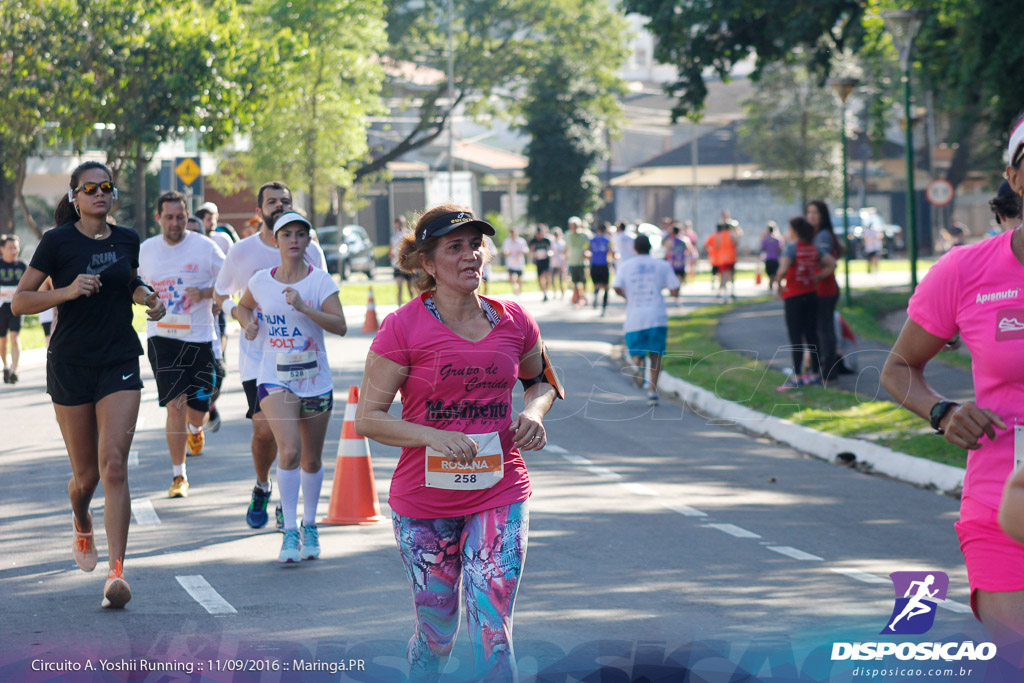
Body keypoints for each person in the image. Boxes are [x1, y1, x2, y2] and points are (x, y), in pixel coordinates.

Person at [355, 204, 557, 681]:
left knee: (493, 625)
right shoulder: (402, 327)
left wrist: (532, 411)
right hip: (425, 501)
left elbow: (542, 382)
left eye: (476, 244)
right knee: (437, 633)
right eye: (455, 247)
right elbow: (369, 419)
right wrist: (435, 438)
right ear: (427, 263)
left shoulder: (515, 320)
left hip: (500, 488)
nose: (472, 256)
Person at [882, 114, 1024, 651]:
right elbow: (898, 368)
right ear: (1014, 177)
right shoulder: (966, 271)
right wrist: (941, 412)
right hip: (1003, 506)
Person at [12, 160, 165, 608]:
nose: (100, 193)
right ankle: (81, 517)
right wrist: (67, 291)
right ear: (75, 197)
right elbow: (21, 301)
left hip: (118, 358)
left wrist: (148, 298)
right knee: (87, 477)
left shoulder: (126, 239)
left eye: (106, 187)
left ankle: (117, 572)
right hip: (71, 364)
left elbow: (129, 283)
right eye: (90, 188)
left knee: (114, 464)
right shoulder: (56, 242)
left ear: (112, 195)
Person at [215, 181, 327, 530]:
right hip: (259, 358)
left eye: (285, 201)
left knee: (292, 442)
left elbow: (324, 297)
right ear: (260, 209)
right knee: (265, 431)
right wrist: (239, 315)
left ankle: (287, 503)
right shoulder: (242, 252)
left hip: (302, 361)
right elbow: (221, 295)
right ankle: (263, 486)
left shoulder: (312, 251)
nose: (278, 205)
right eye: (271, 201)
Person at [235, 211, 346, 563]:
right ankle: (289, 531)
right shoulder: (260, 280)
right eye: (287, 235)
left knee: (311, 459)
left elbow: (340, 325)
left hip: (315, 380)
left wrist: (304, 307)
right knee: (290, 451)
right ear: (276, 240)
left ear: (308, 240)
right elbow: (242, 307)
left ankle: (310, 524)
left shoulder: (320, 282)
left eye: (301, 234)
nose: (294, 240)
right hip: (275, 378)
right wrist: (248, 323)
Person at [139, 191, 226, 497]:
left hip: (199, 337)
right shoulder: (146, 250)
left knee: (197, 407)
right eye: (169, 217)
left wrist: (205, 295)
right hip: (162, 338)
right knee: (175, 404)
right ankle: (179, 476)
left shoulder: (205, 248)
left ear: (187, 216)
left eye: (180, 217)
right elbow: (129, 285)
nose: (175, 223)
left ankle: (197, 428)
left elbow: (230, 280)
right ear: (158, 218)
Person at [613, 233, 679, 405]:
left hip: (635, 317)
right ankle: (652, 393)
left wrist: (627, 295)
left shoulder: (626, 266)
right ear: (650, 248)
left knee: (636, 351)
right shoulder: (662, 265)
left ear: (635, 248)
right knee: (656, 355)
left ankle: (639, 366)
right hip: (657, 316)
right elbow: (675, 289)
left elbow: (616, 287)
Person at [772, 216, 835, 390]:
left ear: (794, 231)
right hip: (811, 295)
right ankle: (815, 374)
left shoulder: (791, 249)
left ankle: (797, 376)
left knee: (796, 337)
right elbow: (831, 264)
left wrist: (779, 285)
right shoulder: (813, 249)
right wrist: (816, 277)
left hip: (794, 297)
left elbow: (782, 270)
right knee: (812, 335)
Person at [807, 200, 842, 380]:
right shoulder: (817, 234)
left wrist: (813, 277)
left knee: (825, 331)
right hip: (821, 290)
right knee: (823, 330)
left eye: (815, 213)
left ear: (823, 215)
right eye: (809, 212)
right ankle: (824, 368)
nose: (811, 216)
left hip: (825, 290)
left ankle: (828, 371)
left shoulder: (822, 236)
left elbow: (829, 263)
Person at [0, 234, 27, 384]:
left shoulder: (22, 266)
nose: (13, 250)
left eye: (15, 247)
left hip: (16, 306)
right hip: (1, 307)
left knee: (14, 337)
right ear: (2, 249)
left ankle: (14, 371)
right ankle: (6, 365)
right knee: (2, 341)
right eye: (10, 248)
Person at [706, 218, 738, 301]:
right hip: (731, 257)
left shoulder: (719, 236)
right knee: (731, 275)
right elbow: (736, 243)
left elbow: (716, 247)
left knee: (723, 276)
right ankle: (731, 292)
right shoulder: (732, 234)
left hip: (722, 258)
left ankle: (723, 293)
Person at [589, 222, 615, 315]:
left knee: (596, 285)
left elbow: (584, 252)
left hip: (594, 265)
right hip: (604, 265)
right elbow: (611, 252)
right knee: (606, 287)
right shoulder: (608, 240)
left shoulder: (591, 240)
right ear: (605, 230)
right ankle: (604, 308)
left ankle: (595, 296)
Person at [664, 225, 697, 296]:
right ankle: (678, 289)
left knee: (674, 276)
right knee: (680, 277)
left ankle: (675, 289)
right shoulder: (685, 240)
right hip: (681, 261)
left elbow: (667, 252)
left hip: (673, 262)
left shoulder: (670, 241)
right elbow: (690, 250)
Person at [565, 217, 591, 306]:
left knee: (583, 281)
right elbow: (566, 248)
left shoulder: (585, 235)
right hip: (572, 261)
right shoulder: (567, 235)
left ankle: (583, 296)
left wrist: (587, 254)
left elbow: (589, 246)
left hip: (582, 261)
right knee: (574, 281)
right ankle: (576, 297)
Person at [390, 216, 416, 305]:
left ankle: (413, 305)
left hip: (407, 265)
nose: (399, 225)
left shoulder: (408, 234)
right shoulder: (394, 236)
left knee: (410, 287)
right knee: (399, 287)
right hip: (397, 265)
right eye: (397, 223)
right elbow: (391, 248)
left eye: (400, 223)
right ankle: (399, 307)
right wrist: (391, 254)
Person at [528, 225, 552, 302]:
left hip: (546, 261)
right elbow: (530, 252)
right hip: (538, 261)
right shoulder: (533, 241)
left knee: (546, 276)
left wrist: (549, 253)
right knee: (540, 278)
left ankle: (547, 289)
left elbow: (551, 249)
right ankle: (544, 292)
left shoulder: (546, 240)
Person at [502, 228, 528, 296]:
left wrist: (521, 252)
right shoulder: (507, 241)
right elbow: (505, 250)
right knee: (511, 278)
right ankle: (515, 286)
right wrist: (506, 252)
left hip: (519, 262)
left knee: (519, 278)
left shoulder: (521, 241)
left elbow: (526, 250)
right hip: (511, 262)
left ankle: (519, 290)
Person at [760, 222, 783, 290]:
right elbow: (781, 248)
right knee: (774, 273)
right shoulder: (777, 239)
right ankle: (773, 282)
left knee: (770, 273)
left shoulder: (765, 239)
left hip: (769, 258)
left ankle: (771, 282)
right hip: (776, 259)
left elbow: (762, 248)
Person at [549, 226, 567, 299]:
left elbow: (564, 252)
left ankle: (562, 292)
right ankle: (554, 292)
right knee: (553, 279)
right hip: (553, 262)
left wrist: (564, 263)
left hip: (560, 262)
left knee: (560, 279)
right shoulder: (552, 242)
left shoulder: (562, 243)